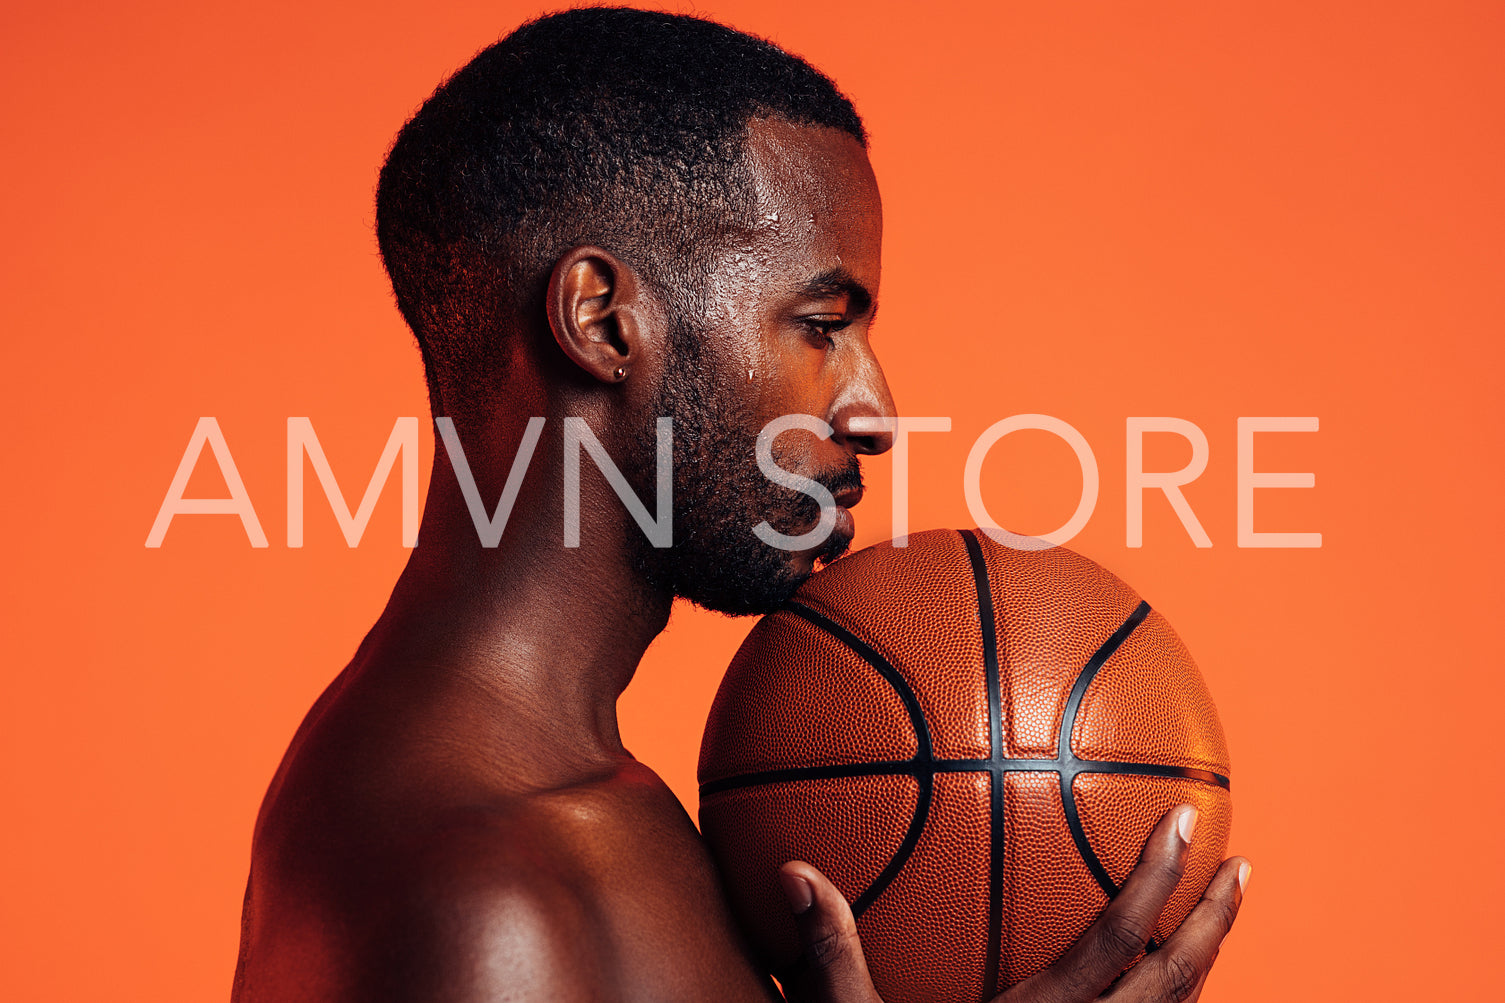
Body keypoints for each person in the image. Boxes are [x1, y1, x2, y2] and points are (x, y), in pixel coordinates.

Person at [232, 8, 1248, 1001]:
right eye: (819, 324)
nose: (874, 413)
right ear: (601, 319)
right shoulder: (483, 898)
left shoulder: (553, 807)